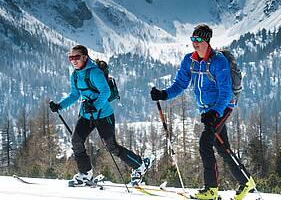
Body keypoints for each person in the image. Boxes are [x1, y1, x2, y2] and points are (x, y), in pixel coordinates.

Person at [150, 24, 255, 200]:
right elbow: (180, 84)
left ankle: (211, 190)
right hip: (207, 111)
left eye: (198, 39)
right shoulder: (188, 60)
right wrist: (163, 94)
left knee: (205, 143)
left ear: (206, 40)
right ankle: (246, 181)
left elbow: (226, 91)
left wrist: (215, 113)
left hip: (222, 107)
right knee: (222, 147)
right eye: (193, 39)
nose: (194, 43)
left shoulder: (218, 61)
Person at [49, 45, 152, 186]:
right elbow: (74, 95)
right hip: (86, 115)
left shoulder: (95, 72)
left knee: (112, 147)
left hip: (103, 115)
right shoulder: (75, 75)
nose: (73, 60)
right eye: (70, 58)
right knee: (76, 141)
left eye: (76, 57)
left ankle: (140, 165)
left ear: (85, 57)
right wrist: (59, 105)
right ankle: (85, 174)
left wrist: (95, 105)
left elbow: (106, 92)